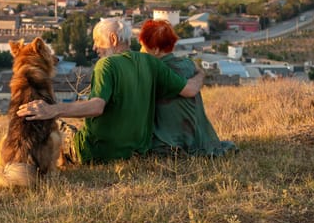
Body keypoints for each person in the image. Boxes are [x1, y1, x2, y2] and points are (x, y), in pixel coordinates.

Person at [16, 17, 205, 164]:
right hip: (137, 151)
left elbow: (97, 106)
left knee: (56, 133)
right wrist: (201, 73)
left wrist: (53, 110)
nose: (94, 47)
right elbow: (190, 89)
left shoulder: (106, 64)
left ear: (113, 39)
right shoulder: (150, 62)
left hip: (99, 151)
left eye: (97, 41)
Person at [138, 19, 238, 157]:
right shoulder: (188, 64)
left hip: (172, 140)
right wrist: (201, 73)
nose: (140, 51)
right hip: (198, 138)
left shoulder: (157, 70)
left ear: (155, 50)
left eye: (143, 47)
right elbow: (198, 73)